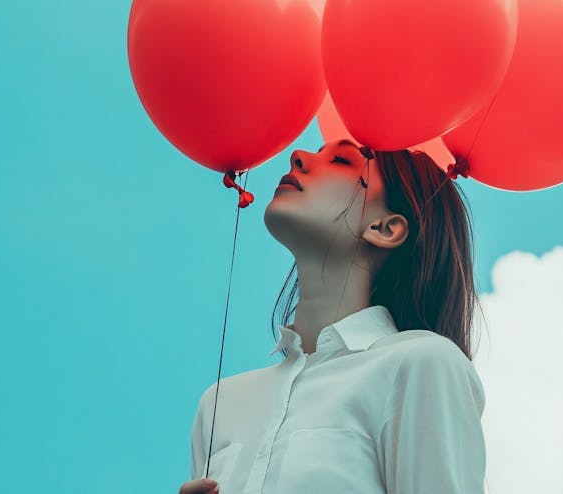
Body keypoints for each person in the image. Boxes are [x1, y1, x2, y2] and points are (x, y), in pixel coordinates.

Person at [179, 138, 488, 494]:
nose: (297, 156)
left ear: (385, 228)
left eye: (341, 161)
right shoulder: (221, 402)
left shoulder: (420, 362)